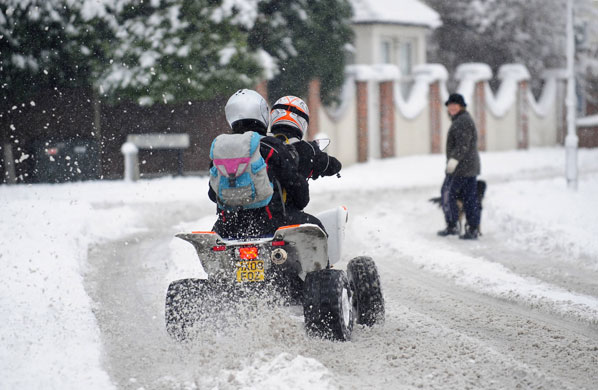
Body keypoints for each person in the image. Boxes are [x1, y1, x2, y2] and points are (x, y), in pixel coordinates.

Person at [208, 89, 309, 239]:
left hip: (228, 227)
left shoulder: (220, 147)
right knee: (316, 228)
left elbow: (212, 194)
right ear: (261, 112)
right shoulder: (271, 146)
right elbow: (299, 192)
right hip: (271, 225)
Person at [269, 95, 342, 232]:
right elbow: (333, 165)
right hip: (287, 217)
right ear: (302, 121)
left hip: (257, 217)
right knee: (318, 231)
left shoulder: (262, 144)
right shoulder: (307, 150)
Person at [437, 93, 481, 240]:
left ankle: (453, 225)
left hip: (461, 168)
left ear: (461, 106)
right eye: (450, 105)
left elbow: (463, 144)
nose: (452, 108)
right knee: (470, 198)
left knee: (447, 194)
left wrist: (453, 161)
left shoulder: (462, 121)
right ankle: (472, 228)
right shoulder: (461, 119)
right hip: (467, 167)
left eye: (455, 105)